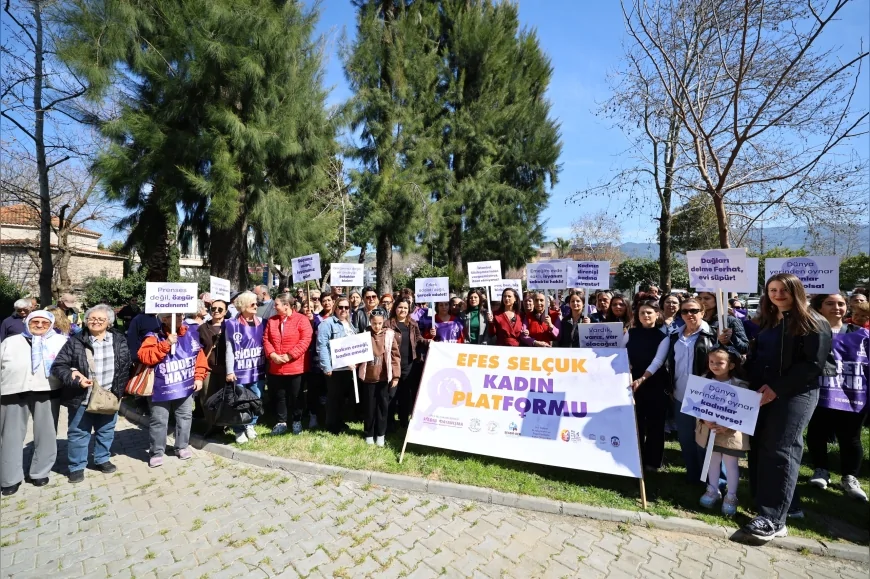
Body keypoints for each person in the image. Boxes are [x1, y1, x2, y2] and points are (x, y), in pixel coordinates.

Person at [744, 273, 832, 541]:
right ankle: (767, 504)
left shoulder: (813, 322)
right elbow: (759, 359)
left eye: (783, 289)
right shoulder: (770, 323)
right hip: (764, 393)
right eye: (772, 290)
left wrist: (777, 389)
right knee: (762, 446)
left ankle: (774, 519)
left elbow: (812, 365)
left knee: (781, 450)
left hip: (795, 395)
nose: (777, 294)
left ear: (796, 291)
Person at [634, 297, 716, 483]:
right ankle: (693, 477)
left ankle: (713, 481)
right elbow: (663, 361)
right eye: (685, 311)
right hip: (680, 395)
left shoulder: (712, 335)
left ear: (702, 312)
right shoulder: (674, 336)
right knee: (686, 440)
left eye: (694, 310)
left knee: (707, 441)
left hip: (706, 396)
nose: (689, 314)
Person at [52, 305, 131, 482]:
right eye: (91, 319)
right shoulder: (75, 341)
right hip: (82, 396)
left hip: (109, 395)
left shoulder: (119, 340)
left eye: (100, 319)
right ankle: (77, 466)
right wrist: (75, 378)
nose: (95, 322)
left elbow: (125, 365)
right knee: (79, 432)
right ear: (86, 321)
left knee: (106, 430)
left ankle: (102, 459)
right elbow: (59, 366)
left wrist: (121, 389)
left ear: (109, 322)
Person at [806, 292, 868, 501]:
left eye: (841, 303)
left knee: (850, 438)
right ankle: (821, 470)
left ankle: (849, 478)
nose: (836, 307)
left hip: (853, 394)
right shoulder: (811, 333)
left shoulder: (861, 334)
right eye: (830, 303)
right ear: (819, 307)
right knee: (817, 433)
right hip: (821, 393)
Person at [1, 311, 68, 494]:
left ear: (51, 324)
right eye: (35, 321)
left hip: (47, 389)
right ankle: (9, 478)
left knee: (46, 433)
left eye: (44, 323)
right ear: (27, 322)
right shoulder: (11, 341)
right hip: (13, 390)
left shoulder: (60, 341)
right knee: (10, 436)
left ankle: (39, 472)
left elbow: (69, 364)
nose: (39, 325)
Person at [138, 313, 208, 467]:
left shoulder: (191, 333)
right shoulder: (153, 336)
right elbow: (145, 357)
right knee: (159, 420)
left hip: (185, 386)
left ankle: (182, 446)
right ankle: (156, 452)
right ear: (164, 319)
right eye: (173, 316)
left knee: (185, 416)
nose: (179, 318)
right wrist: (166, 344)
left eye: (180, 315)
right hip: (161, 388)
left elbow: (200, 358)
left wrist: (199, 377)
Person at [696, 348, 751, 515]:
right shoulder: (703, 381)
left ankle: (731, 496)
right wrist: (704, 419)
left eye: (720, 362)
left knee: (731, 464)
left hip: (731, 434)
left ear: (732, 365)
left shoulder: (741, 385)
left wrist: (728, 425)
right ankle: (712, 489)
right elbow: (696, 403)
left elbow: (745, 410)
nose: (714, 365)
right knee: (713, 460)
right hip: (710, 431)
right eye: (711, 362)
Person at [626, 300, 669, 472]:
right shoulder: (631, 332)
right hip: (631, 383)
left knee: (654, 425)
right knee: (637, 424)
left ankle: (652, 461)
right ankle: (637, 458)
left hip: (654, 385)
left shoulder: (663, 337)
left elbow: (658, 361)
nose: (645, 316)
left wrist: (642, 379)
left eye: (649, 312)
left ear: (657, 314)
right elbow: (622, 352)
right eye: (642, 312)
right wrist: (628, 370)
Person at [263, 293, 312, 436]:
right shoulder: (272, 321)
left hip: (296, 366)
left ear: (286, 306)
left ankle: (297, 421)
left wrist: (290, 355)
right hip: (276, 366)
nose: (274, 307)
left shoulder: (301, 320)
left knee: (296, 396)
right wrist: (272, 355)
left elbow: (305, 340)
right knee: (280, 396)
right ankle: (281, 422)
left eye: (277, 304)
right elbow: (266, 339)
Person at [226, 292, 267, 442]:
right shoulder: (232, 324)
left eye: (256, 303)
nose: (256, 306)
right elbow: (229, 348)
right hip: (239, 371)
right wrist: (230, 370)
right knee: (240, 401)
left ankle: (251, 424)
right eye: (252, 304)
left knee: (256, 398)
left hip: (257, 370)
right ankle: (239, 429)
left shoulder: (263, 322)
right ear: (243, 306)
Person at [357, 308, 400, 446]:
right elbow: (357, 353)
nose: (377, 326)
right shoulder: (364, 334)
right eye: (374, 323)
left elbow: (395, 356)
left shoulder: (389, 335)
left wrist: (396, 376)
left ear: (384, 322)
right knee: (369, 407)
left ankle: (381, 434)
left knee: (383, 407)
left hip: (383, 378)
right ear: (370, 321)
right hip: (369, 377)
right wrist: (354, 363)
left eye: (380, 323)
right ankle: (369, 434)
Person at [317, 297, 356, 434]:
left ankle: (339, 421)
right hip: (334, 367)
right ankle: (331, 425)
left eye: (346, 307)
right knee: (333, 397)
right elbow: (322, 346)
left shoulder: (350, 324)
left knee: (342, 397)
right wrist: (326, 366)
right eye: (341, 307)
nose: (344, 310)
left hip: (348, 367)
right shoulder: (327, 323)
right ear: (335, 308)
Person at [387, 298, 423, 429]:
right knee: (392, 393)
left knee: (405, 394)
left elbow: (418, 339)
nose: (403, 310)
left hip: (409, 364)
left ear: (409, 310)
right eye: (400, 307)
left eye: (405, 308)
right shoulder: (388, 324)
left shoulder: (412, 323)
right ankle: (389, 421)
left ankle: (403, 420)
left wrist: (429, 341)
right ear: (395, 308)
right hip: (393, 364)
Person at [198, 299, 228, 424]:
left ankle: (223, 424)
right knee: (207, 397)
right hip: (208, 369)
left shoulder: (230, 326)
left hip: (225, 369)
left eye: (220, 309)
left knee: (224, 397)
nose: (216, 311)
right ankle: (211, 425)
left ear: (225, 312)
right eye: (213, 308)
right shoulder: (202, 328)